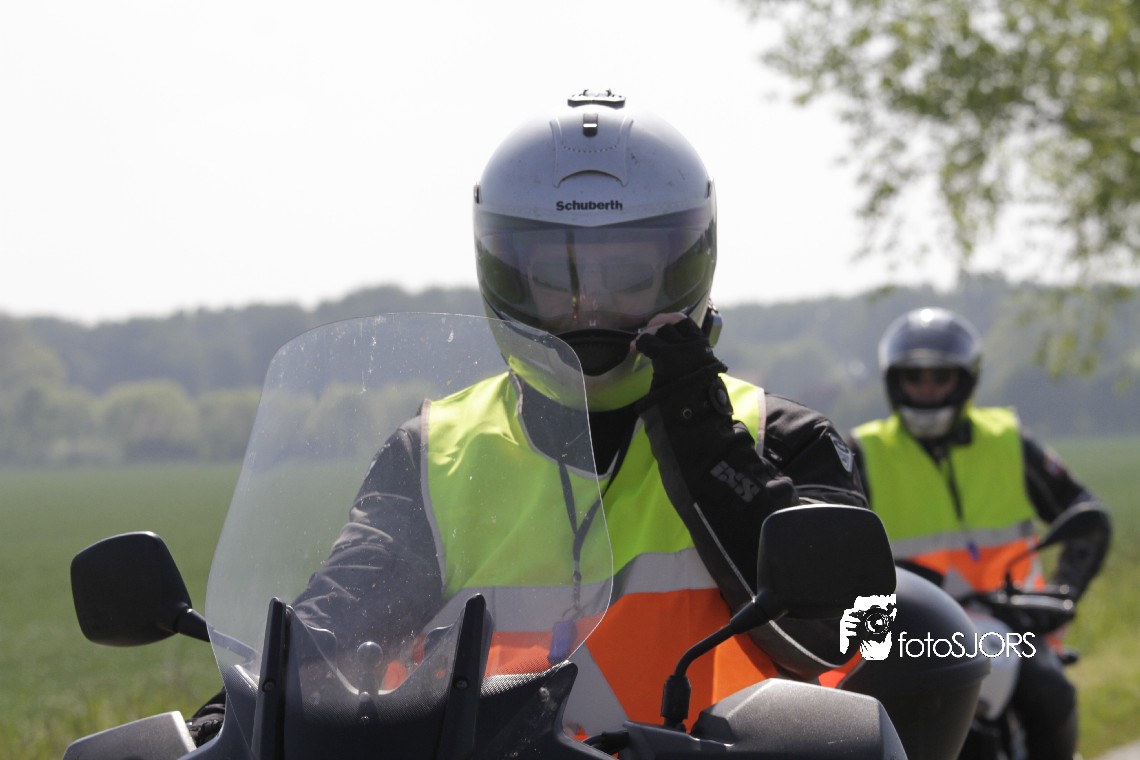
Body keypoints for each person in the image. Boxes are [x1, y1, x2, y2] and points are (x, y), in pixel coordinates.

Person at [189, 92, 983, 758]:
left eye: (629, 275)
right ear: (505, 273)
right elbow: (339, 616)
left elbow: (834, 633)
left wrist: (699, 430)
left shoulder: (778, 436)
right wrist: (239, 712)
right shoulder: (434, 453)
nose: (591, 306)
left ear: (687, 267)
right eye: (557, 276)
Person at [848, 307, 1113, 760]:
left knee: (1051, 694)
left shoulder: (1006, 439)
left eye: (941, 377)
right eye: (914, 377)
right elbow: (834, 543)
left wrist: (1063, 593)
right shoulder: (862, 451)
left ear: (965, 379)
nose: (927, 388)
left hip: (1010, 623)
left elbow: (1086, 515)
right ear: (894, 380)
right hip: (909, 629)